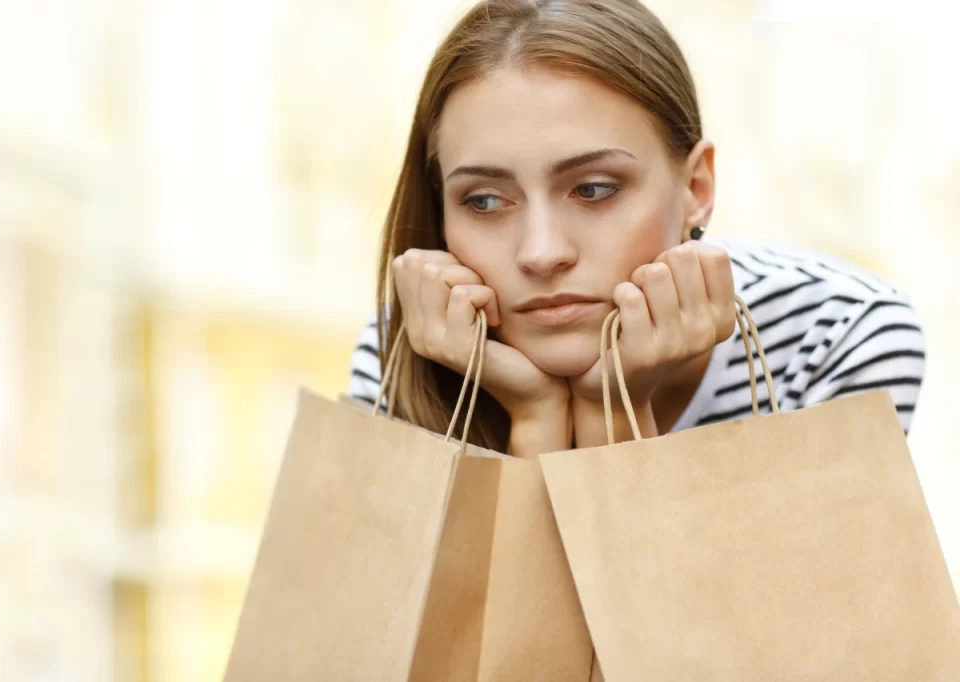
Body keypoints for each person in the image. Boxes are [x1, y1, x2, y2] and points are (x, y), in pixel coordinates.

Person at [347, 0, 925, 457]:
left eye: (594, 189)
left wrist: (612, 412)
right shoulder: (414, 348)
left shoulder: (838, 333)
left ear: (697, 189)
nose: (542, 253)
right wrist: (536, 416)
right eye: (486, 200)